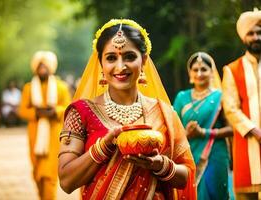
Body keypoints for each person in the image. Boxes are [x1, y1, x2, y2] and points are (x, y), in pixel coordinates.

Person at [58, 19, 196, 199]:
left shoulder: (164, 113)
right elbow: (67, 181)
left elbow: (186, 176)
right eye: (111, 58)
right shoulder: (80, 112)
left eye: (130, 57)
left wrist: (160, 165)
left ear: (144, 60)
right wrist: (103, 147)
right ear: (101, 63)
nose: (120, 66)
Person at [173, 52, 234, 200]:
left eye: (204, 69)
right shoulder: (182, 97)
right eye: (195, 70)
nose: (199, 73)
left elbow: (231, 128)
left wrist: (204, 132)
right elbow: (173, 128)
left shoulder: (221, 96)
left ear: (211, 73)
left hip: (215, 153)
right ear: (190, 73)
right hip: (188, 153)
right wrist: (186, 133)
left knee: (214, 192)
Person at [18, 50, 71, 200]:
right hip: (35, 136)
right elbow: (22, 110)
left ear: (50, 68)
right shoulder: (28, 88)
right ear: (35, 69)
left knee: (49, 175)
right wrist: (37, 113)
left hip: (54, 134)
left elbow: (68, 107)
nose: (42, 69)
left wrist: (55, 111)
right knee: (37, 174)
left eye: (45, 66)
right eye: (39, 67)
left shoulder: (61, 87)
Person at [222, 8, 261, 200]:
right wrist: (254, 130)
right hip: (249, 141)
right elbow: (230, 108)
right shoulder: (232, 69)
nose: (256, 37)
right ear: (244, 38)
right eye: (251, 33)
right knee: (248, 193)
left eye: (259, 32)